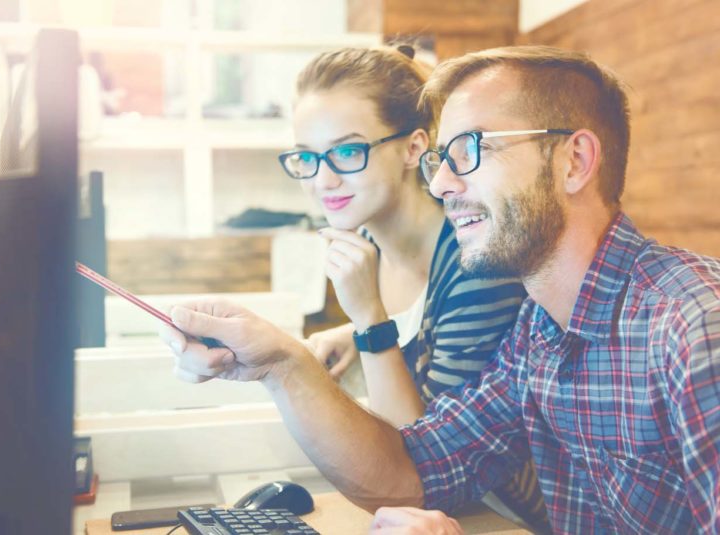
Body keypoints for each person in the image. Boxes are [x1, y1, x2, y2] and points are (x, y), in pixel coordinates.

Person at [162, 45, 720, 534]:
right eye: (441, 159)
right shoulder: (539, 335)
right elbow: (413, 472)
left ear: (574, 161)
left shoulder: (694, 325)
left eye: (472, 151)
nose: (441, 183)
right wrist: (282, 363)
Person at [276, 46, 544, 528]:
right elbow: (419, 322)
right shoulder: (367, 246)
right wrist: (354, 334)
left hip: (506, 518)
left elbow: (425, 463)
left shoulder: (475, 265)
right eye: (306, 157)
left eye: (348, 151)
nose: (323, 178)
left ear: (414, 146)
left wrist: (370, 324)